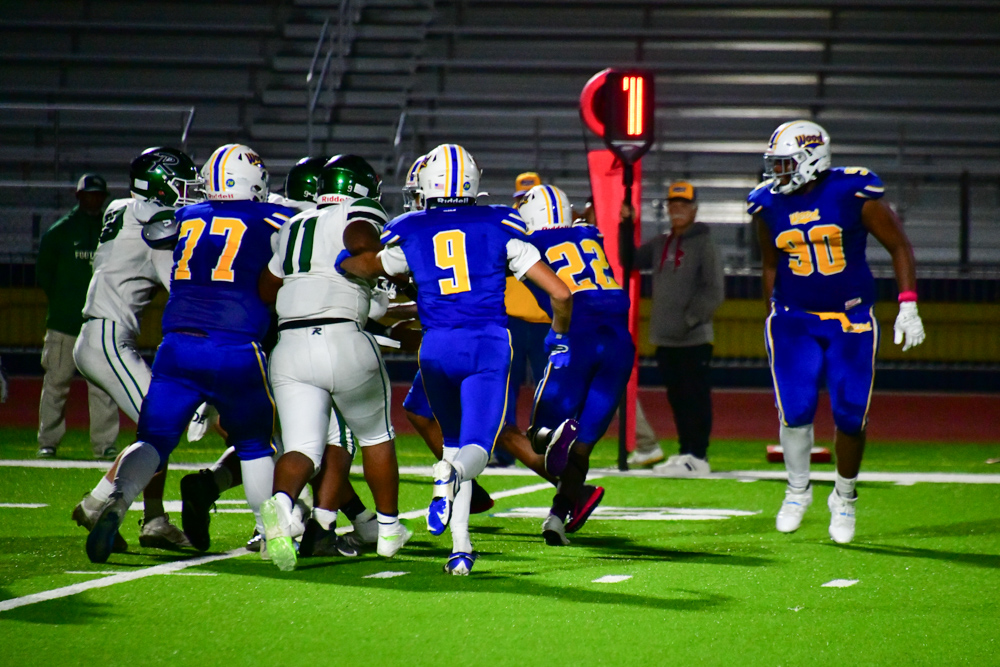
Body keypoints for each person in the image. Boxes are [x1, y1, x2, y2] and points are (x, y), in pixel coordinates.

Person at [339, 143, 574, 575]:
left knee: (451, 443)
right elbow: (560, 293)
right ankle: (448, 477)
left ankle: (461, 548)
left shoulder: (411, 227)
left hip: (436, 349)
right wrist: (559, 334)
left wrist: (344, 259)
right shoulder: (498, 222)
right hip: (485, 345)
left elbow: (364, 266)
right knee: (475, 450)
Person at [84, 143, 296, 564]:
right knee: (256, 445)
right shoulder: (273, 217)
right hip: (235, 346)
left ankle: (118, 502)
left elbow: (156, 230)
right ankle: (270, 533)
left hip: (177, 346)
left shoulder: (184, 217)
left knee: (152, 440)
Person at [750, 119, 925, 544]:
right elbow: (770, 263)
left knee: (850, 413)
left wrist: (908, 304)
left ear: (812, 159)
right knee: (795, 410)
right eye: (775, 164)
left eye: (785, 163)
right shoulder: (766, 203)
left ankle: (844, 496)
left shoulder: (852, 191)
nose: (777, 173)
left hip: (850, 320)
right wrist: (773, 312)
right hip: (794, 319)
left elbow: (899, 245)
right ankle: (797, 491)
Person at [257, 154, 410, 571]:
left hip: (289, 345)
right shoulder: (356, 212)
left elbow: (267, 288)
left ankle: (282, 505)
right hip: (342, 336)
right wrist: (376, 263)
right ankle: (387, 529)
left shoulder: (292, 226)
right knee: (376, 436)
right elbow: (360, 241)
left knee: (303, 448)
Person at [71, 147, 203, 551]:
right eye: (181, 185)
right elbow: (181, 288)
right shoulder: (155, 228)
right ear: (159, 187)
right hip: (108, 338)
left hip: (100, 334)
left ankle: (108, 505)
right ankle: (141, 516)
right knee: (161, 425)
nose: (189, 192)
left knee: (157, 426)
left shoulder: (120, 208)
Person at [518, 184, 634, 545]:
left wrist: (559, 334)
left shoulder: (527, 243)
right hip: (619, 341)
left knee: (538, 435)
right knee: (583, 444)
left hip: (577, 336)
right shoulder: (589, 235)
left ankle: (553, 439)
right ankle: (557, 516)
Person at [632, 181, 724, 476]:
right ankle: (686, 453)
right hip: (666, 340)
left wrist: (689, 321)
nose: (678, 209)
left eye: (684, 204)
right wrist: (624, 224)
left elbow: (714, 290)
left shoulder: (705, 244)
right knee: (677, 400)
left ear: (694, 209)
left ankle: (699, 455)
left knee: (695, 399)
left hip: (693, 339)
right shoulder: (661, 243)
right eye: (673, 204)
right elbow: (629, 259)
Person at [35, 173, 119, 459]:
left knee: (102, 387)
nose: (94, 200)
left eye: (98, 195)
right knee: (56, 384)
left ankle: (105, 444)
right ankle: (48, 441)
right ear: (79, 197)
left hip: (99, 323)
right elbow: (44, 273)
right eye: (89, 195)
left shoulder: (110, 232)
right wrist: (64, 303)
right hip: (65, 324)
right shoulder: (60, 232)